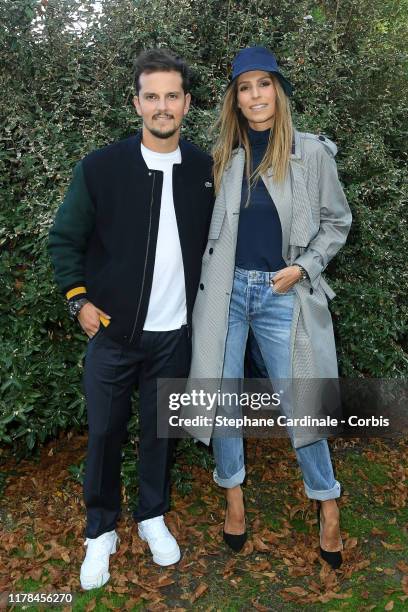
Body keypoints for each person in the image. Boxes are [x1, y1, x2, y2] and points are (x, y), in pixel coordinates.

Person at [48, 48, 214, 589]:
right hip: (114, 334)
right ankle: (100, 530)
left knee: (159, 434)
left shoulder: (204, 171)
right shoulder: (100, 168)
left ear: (187, 103)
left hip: (174, 337)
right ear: (137, 103)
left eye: (172, 96)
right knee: (104, 433)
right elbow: (65, 238)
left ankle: (150, 516)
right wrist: (79, 300)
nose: (162, 106)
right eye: (152, 96)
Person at [188, 46, 352, 568]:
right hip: (228, 294)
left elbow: (336, 222)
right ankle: (233, 497)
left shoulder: (311, 153)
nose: (255, 96)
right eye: (244, 87)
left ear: (277, 91)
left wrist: (304, 267)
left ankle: (328, 504)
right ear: (234, 99)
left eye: (263, 84)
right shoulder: (227, 157)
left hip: (284, 293)